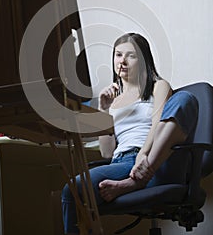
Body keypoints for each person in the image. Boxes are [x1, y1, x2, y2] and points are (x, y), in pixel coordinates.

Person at [62, 32, 198, 234]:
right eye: (118, 55)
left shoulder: (158, 86)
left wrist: (143, 155)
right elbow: (107, 154)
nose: (122, 61)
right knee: (72, 191)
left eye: (131, 56)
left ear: (143, 60)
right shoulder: (113, 100)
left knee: (185, 98)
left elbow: (156, 125)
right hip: (121, 164)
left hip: (153, 160)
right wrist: (104, 110)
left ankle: (137, 180)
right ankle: (133, 182)